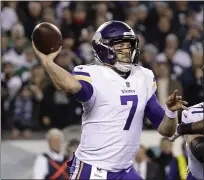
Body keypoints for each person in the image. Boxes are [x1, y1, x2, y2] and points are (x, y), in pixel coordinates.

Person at [32, 21, 187, 180]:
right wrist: (47, 62)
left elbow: (166, 130)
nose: (127, 51)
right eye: (121, 47)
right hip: (93, 168)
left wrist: (171, 112)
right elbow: (70, 86)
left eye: (129, 46)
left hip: (124, 169)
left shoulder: (143, 76)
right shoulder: (92, 74)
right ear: (103, 48)